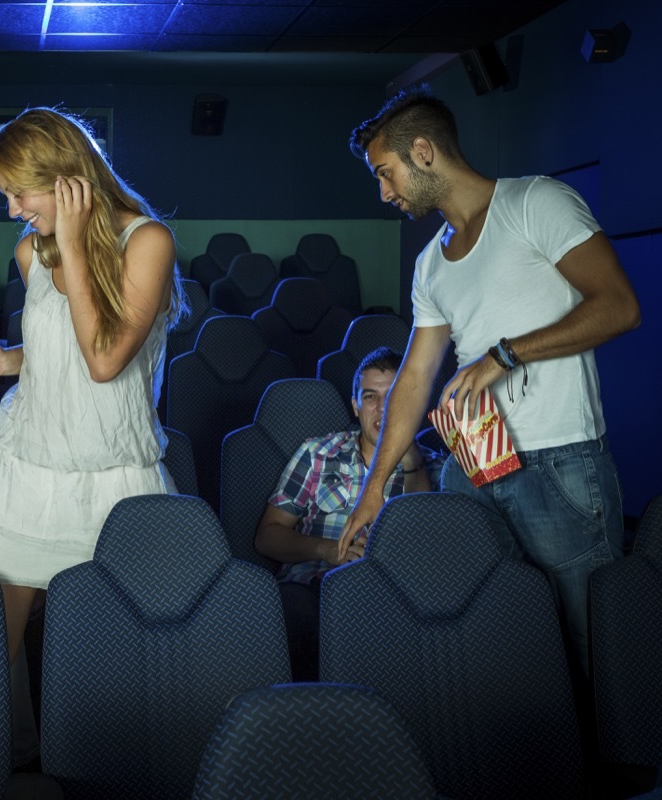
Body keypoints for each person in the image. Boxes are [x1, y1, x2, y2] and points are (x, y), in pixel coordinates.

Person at [338, 85, 641, 674]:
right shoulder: (431, 262)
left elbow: (620, 307)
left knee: (592, 649)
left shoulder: (537, 203)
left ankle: (615, 768)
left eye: (386, 173)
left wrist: (505, 354)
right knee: (501, 641)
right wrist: (375, 488)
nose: (384, 192)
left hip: (561, 462)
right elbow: (415, 376)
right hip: (473, 467)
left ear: (423, 152)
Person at [0, 107, 188, 664]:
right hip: (28, 463)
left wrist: (71, 244)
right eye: (7, 196)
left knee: (120, 645)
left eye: (19, 194)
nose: (13, 211)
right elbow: (59, 353)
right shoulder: (30, 251)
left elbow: (104, 361)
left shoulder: (148, 242)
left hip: (113, 469)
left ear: (66, 179)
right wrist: (6, 359)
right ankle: (8, 750)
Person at [256, 347, 437, 681]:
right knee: (289, 611)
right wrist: (327, 550)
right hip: (314, 591)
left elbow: (430, 546)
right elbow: (268, 536)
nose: (383, 408)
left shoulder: (432, 466)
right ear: (355, 406)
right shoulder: (318, 454)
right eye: (370, 397)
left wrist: (412, 465)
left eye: (395, 395)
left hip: (395, 598)